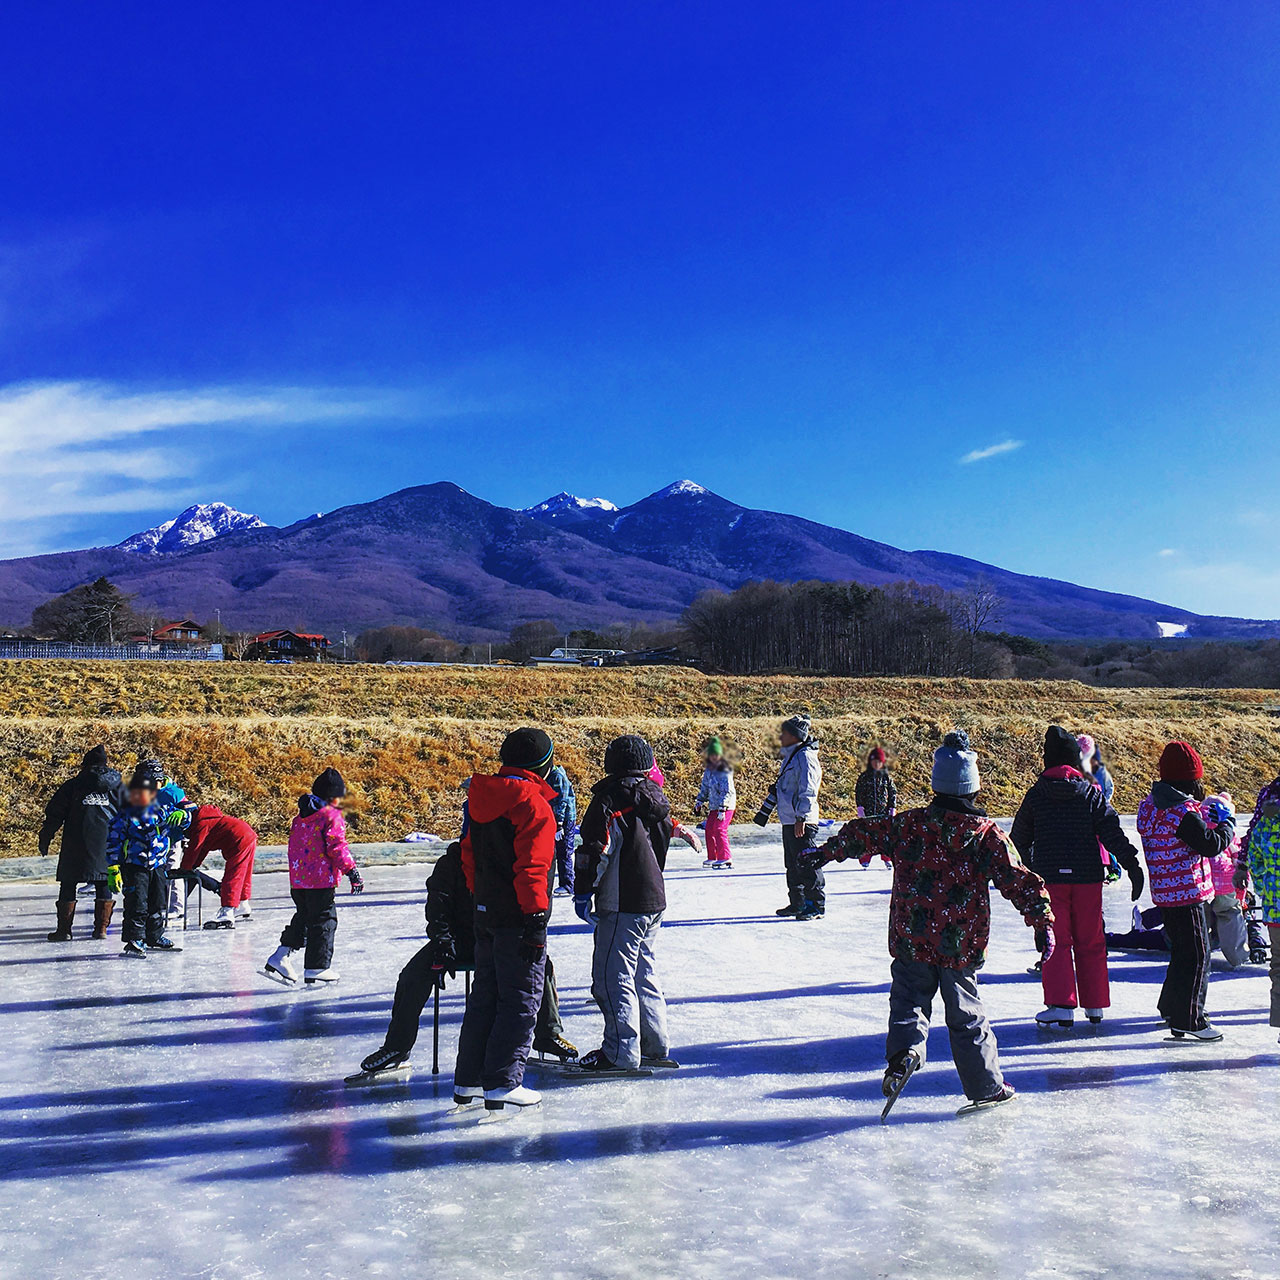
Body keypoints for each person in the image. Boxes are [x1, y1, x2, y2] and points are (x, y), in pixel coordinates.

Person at [812, 730, 1054, 1114]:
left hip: (912, 935)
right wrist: (1042, 921)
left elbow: (866, 833)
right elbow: (1017, 878)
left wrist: (826, 851)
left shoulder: (909, 824)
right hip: (960, 942)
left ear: (936, 784)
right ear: (974, 787)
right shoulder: (986, 835)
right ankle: (986, 1088)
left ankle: (904, 1056)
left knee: (908, 1000)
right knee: (965, 1015)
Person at [354, 838, 577, 1080]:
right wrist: (442, 942)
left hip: (498, 937)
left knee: (540, 964)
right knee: (412, 975)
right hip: (459, 941)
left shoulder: (503, 859)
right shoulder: (451, 862)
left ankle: (548, 1035)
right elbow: (437, 906)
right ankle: (397, 1046)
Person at [452, 728, 558, 1113]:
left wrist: (480, 897)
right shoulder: (533, 804)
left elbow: (467, 854)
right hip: (518, 915)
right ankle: (502, 1081)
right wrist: (535, 918)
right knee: (520, 998)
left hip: (486, 912)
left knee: (485, 995)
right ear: (543, 766)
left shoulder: (481, 797)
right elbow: (532, 867)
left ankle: (468, 1080)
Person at [1010, 726, 1144, 1028]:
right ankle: (1095, 1004)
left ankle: (1061, 1004)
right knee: (1091, 941)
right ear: (1074, 761)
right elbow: (1111, 832)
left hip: (1050, 880)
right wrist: (1131, 864)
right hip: (1087, 879)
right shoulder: (1090, 793)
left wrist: (1029, 872)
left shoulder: (1036, 795)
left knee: (1057, 941)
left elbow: (1018, 840)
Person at [575, 734, 676, 1074]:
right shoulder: (655, 796)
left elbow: (596, 849)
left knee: (611, 975)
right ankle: (654, 1044)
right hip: (653, 900)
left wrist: (583, 891)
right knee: (643, 971)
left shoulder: (609, 799)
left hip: (622, 901)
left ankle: (621, 1051)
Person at [1135, 741, 1237, 1041]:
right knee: (1198, 955)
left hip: (1165, 893)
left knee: (1182, 952)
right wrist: (1228, 824)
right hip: (1188, 894)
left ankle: (1171, 1008)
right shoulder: (1180, 813)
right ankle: (1190, 1019)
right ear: (1189, 780)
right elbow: (1210, 844)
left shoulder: (1150, 807)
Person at [264, 768, 363, 986]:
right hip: (320, 881)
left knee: (304, 919)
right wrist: (352, 871)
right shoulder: (331, 816)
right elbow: (337, 847)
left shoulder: (301, 817)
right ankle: (317, 968)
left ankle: (280, 956)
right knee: (324, 921)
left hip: (299, 881)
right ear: (333, 796)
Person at [38, 745, 126, 942]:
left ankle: (64, 931)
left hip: (75, 842)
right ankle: (101, 929)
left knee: (68, 883)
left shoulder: (73, 786)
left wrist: (46, 836)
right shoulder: (118, 787)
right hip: (107, 842)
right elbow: (131, 814)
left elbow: (55, 813)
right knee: (104, 881)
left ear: (85, 765)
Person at [106, 764, 191, 958]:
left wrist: (183, 815)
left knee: (158, 902)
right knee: (137, 903)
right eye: (156, 782)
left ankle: (154, 935)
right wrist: (113, 866)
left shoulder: (164, 805)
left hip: (158, 863)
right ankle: (134, 940)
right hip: (135, 864)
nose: (160, 786)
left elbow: (186, 818)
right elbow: (114, 837)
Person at [758, 714, 824, 921]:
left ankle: (816, 905)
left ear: (795, 735)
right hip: (789, 819)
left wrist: (802, 817)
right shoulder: (792, 756)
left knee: (807, 863)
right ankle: (798, 902)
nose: (780, 736)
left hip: (801, 821)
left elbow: (809, 789)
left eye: (784, 733)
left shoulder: (805, 757)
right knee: (793, 865)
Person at [1239, 770, 1280, 1039]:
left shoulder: (1265, 821)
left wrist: (1266, 891)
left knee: (1278, 966)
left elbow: (1254, 857)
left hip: (1275, 909)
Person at [180, 803, 259, 929]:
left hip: (239, 839)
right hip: (247, 834)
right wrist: (193, 865)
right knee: (244, 874)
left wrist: (185, 868)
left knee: (234, 875)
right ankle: (243, 904)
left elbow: (195, 848)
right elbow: (202, 849)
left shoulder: (200, 824)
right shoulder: (207, 820)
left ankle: (227, 912)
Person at [1202, 794, 1249, 968]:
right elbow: (1239, 859)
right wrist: (1241, 894)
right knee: (1230, 915)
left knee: (1202, 920)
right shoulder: (1230, 832)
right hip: (1225, 881)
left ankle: (1200, 957)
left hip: (1202, 882)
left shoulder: (1199, 828)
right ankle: (1238, 957)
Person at [693, 736, 736, 870]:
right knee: (709, 829)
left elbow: (728, 791)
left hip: (726, 806)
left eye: (716, 755)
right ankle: (713, 856)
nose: (713, 758)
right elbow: (705, 788)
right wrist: (700, 800)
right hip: (714, 806)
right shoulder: (709, 770)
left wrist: (723, 808)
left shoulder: (725, 769)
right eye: (711, 755)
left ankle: (725, 857)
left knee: (719, 829)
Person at [547, 763, 578, 897]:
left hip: (565, 819)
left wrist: (559, 823)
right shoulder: (551, 775)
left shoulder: (557, 777)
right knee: (558, 850)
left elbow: (562, 800)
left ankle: (568, 884)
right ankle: (565, 882)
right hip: (556, 818)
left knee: (564, 850)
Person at [855, 747, 897, 819]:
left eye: (879, 762)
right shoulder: (864, 777)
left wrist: (892, 808)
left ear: (882, 763)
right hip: (868, 815)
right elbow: (859, 793)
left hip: (884, 815)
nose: (876, 764)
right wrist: (860, 808)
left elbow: (892, 792)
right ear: (870, 762)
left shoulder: (886, 777)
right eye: (874, 761)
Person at [1077, 734, 1115, 805]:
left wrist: (1105, 801)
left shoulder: (1103, 773)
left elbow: (1109, 788)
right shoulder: (1081, 771)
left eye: (1093, 760)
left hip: (1100, 803)